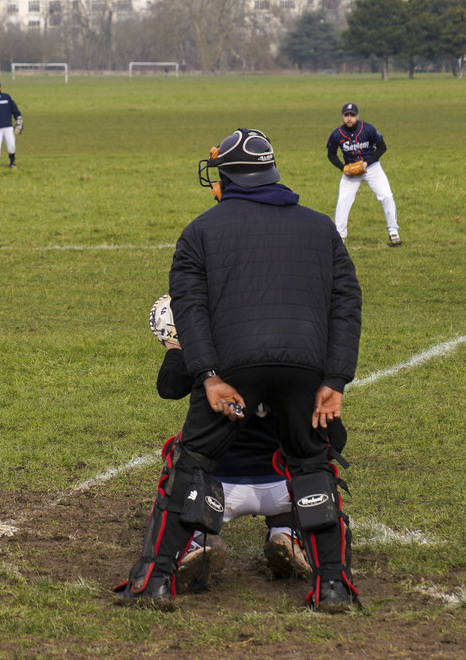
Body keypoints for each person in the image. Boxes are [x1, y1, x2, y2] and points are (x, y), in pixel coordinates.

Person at [116, 128, 361, 613]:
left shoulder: (200, 230)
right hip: (306, 366)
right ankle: (333, 585)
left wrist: (208, 374)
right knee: (313, 466)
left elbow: (190, 309)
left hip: (233, 365)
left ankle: (155, 580)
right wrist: (335, 379)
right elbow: (346, 303)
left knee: (191, 466)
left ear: (227, 176)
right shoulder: (320, 227)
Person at [147, 295, 346, 588]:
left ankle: (197, 542)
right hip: (286, 489)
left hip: (217, 491)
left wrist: (177, 346)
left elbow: (169, 385)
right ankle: (288, 533)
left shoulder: (214, 360)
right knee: (312, 464)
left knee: (185, 460)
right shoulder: (301, 360)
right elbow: (336, 440)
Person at [327, 102, 399, 246]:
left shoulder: (368, 129)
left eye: (352, 115)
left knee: (386, 196)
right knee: (343, 201)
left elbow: (382, 147)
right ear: (342, 116)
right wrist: (343, 168)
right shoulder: (337, 134)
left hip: (372, 168)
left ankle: (393, 232)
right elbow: (331, 155)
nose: (349, 118)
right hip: (351, 173)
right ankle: (339, 237)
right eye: (346, 115)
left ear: (357, 116)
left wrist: (367, 162)